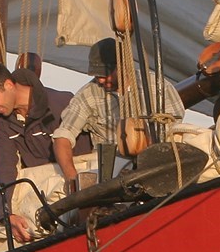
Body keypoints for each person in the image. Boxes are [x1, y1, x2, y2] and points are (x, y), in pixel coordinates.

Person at [53, 38, 185, 189]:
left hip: (155, 163)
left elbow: (174, 125)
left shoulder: (156, 86)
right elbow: (63, 136)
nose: (101, 80)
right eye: (97, 75)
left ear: (122, 67)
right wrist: (72, 179)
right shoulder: (88, 95)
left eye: (105, 74)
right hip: (111, 172)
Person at [0, 61, 76, 242]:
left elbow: (82, 156)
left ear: (8, 85)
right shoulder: (2, 121)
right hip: (35, 191)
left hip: (67, 182)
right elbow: (4, 165)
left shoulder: (60, 104)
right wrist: (6, 214)